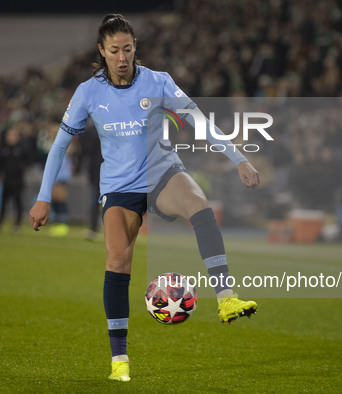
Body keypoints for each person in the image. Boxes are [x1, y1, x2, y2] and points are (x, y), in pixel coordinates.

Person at [29, 14, 260, 382]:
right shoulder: (88, 92)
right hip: (120, 186)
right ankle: (119, 359)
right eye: (115, 50)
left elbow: (199, 121)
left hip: (162, 172)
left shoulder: (158, 82)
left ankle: (226, 297)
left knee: (199, 203)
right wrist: (43, 197)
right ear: (101, 51)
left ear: (136, 48)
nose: (123, 57)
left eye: (129, 49)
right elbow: (59, 146)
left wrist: (239, 158)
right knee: (117, 259)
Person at [0, 125, 27, 232]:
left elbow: (27, 161)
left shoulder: (21, 149)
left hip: (17, 181)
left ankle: (17, 224)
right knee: (3, 203)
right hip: (6, 180)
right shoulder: (4, 149)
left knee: (17, 203)